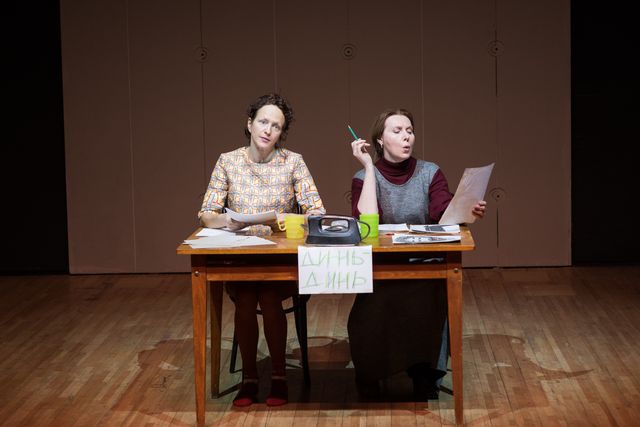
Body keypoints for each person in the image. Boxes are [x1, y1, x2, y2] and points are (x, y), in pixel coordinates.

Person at [348, 108, 486, 399]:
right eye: (397, 131)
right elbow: (367, 223)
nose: (406, 137)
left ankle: (424, 372)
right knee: (372, 309)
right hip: (381, 266)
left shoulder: (429, 172)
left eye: (409, 131)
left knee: (431, 296)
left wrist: (467, 210)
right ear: (380, 140)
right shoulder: (363, 177)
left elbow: (442, 211)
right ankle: (372, 372)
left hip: (425, 262)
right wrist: (369, 168)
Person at [198, 93, 325, 407]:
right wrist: (229, 221)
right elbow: (207, 214)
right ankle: (250, 377)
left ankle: (279, 376)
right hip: (241, 253)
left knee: (268, 295)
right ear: (250, 124)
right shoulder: (228, 161)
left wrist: (285, 220)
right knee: (244, 296)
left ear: (282, 132)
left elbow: (317, 212)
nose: (268, 130)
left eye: (276, 126)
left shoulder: (293, 161)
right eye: (263, 122)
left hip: (280, 257)